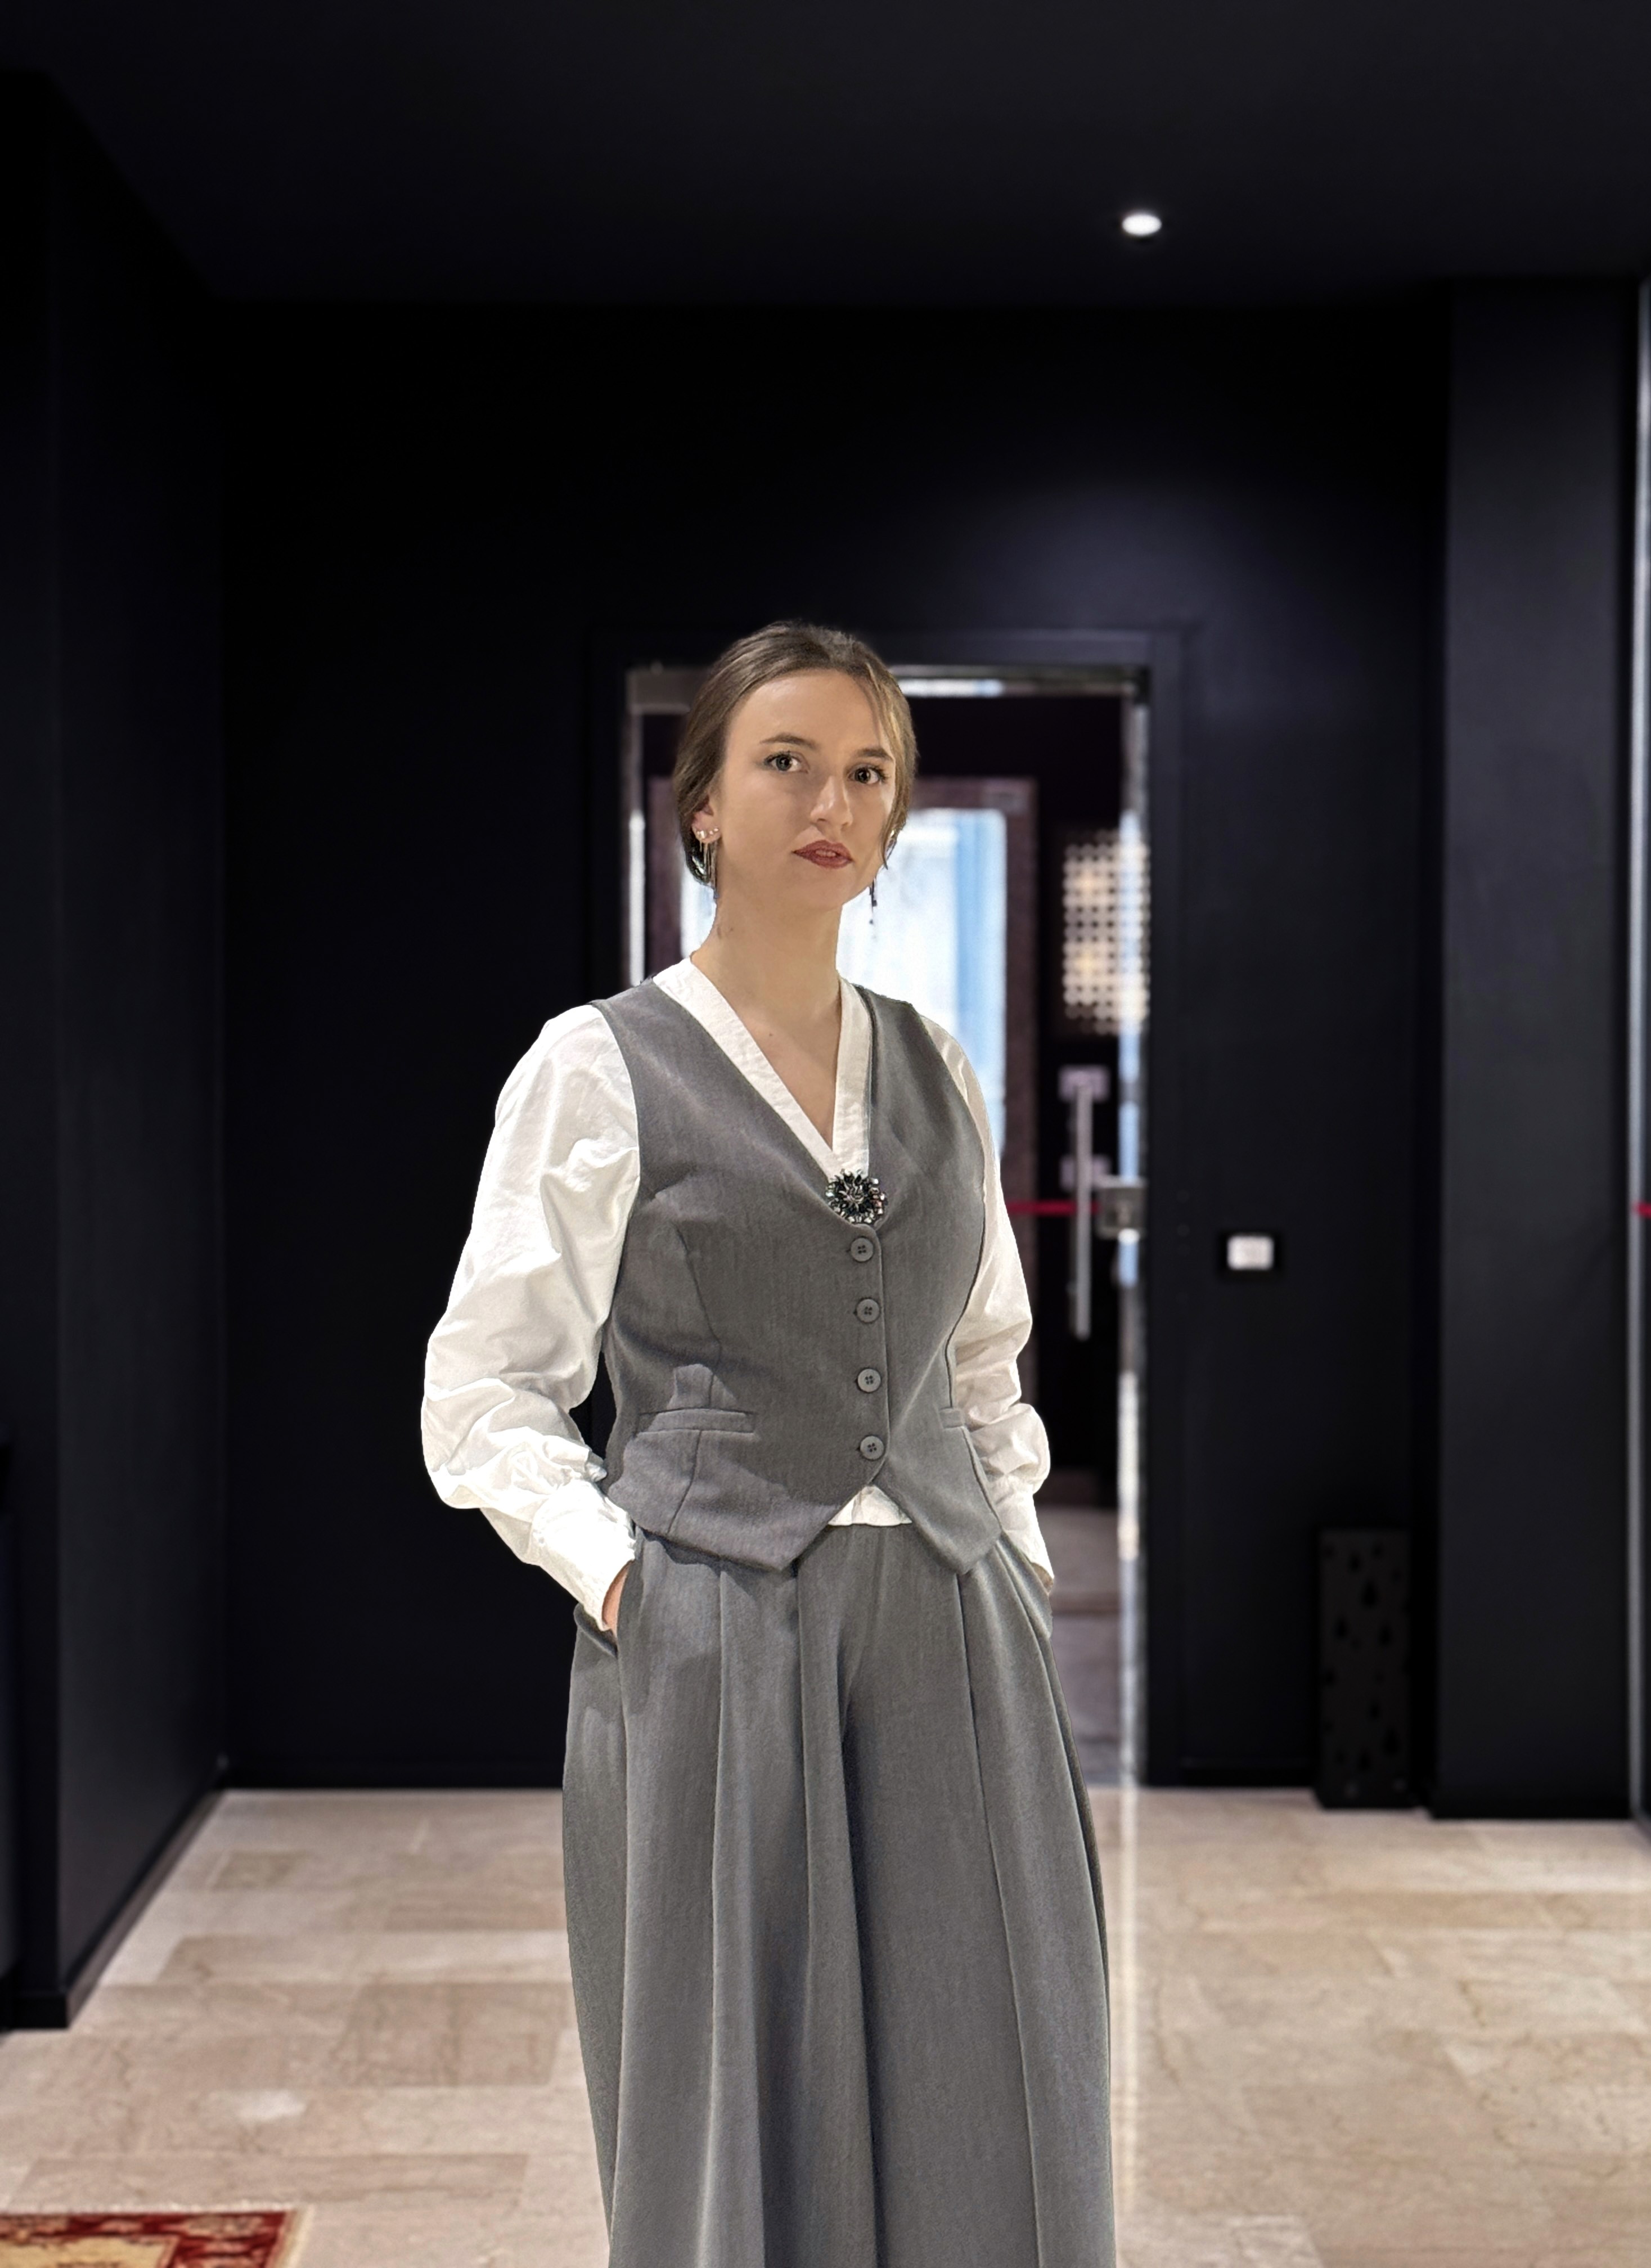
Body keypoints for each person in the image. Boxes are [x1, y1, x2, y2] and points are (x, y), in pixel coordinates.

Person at [421, 622, 1114, 2267]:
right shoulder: (599, 1068)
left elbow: (980, 1363)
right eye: (787, 762)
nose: (834, 800)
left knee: (995, 2068)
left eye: (868, 770)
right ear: (706, 807)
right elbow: (485, 1388)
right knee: (732, 2086)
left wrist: (1010, 1559)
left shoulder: (937, 1068)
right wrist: (618, 1581)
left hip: (953, 1636)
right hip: (717, 1630)